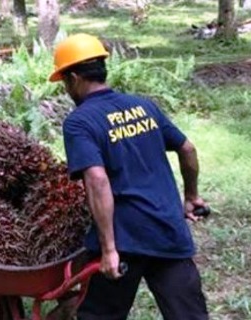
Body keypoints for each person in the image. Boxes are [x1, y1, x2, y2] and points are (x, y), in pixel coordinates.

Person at [49, 33, 209, 320]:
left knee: (100, 315)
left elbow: (97, 180)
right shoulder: (143, 106)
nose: (65, 89)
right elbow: (187, 148)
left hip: (126, 240)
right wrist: (192, 197)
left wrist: (109, 250)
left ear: (73, 78)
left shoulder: (80, 121)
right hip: (167, 228)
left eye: (64, 82)